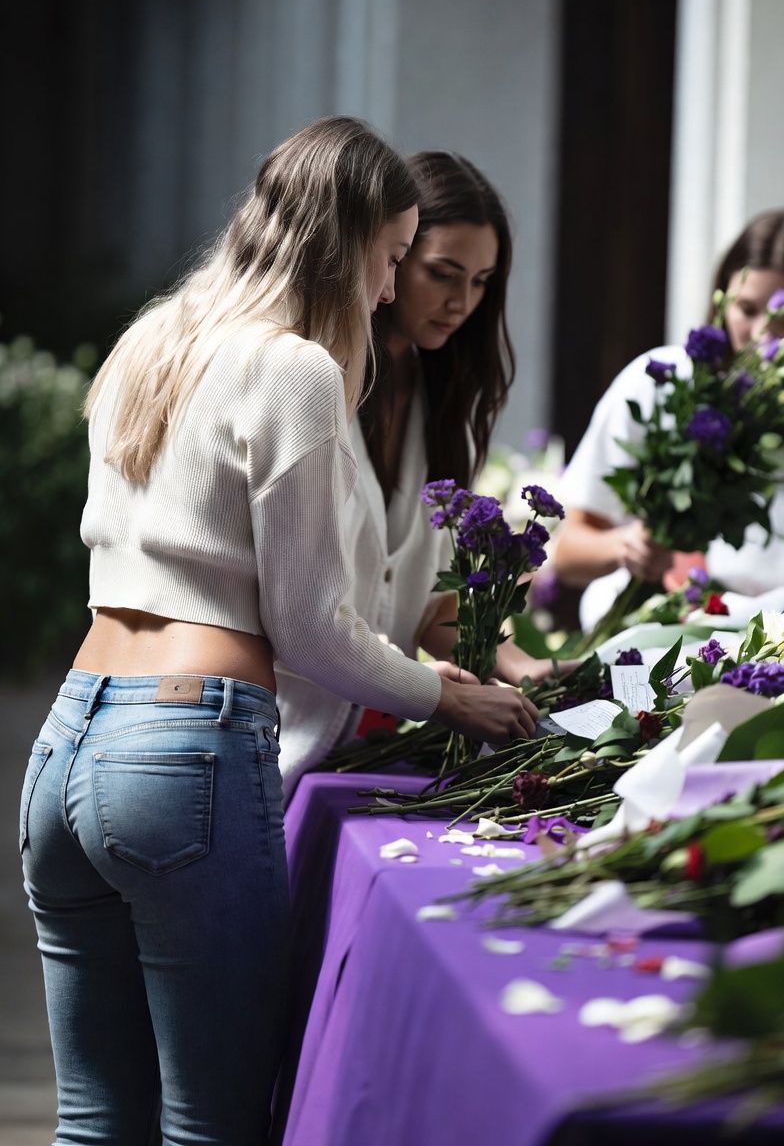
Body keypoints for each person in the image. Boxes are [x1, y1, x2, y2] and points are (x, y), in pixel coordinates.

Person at [19, 118, 539, 1146]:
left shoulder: (152, 338)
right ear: (346, 245)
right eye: (392, 258)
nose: (391, 290)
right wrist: (450, 692)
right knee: (214, 1125)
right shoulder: (295, 369)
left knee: (94, 1122)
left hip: (68, 738)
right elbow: (310, 626)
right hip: (182, 751)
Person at [277, 151, 566, 800]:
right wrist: (445, 698)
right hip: (271, 737)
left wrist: (524, 669)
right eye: (443, 273)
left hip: (353, 749)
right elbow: (305, 614)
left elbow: (423, 604)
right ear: (391, 255)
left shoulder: (442, 406)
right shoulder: (308, 383)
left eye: (483, 281)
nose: (462, 302)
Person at [552, 209, 784, 628]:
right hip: (658, 632)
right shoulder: (662, 384)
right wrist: (628, 545)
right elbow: (567, 554)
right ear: (722, 299)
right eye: (747, 310)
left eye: (782, 321)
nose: (762, 337)